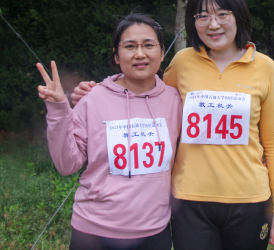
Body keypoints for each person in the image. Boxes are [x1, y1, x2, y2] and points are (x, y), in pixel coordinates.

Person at [72, 0, 274, 250]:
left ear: (239, 16)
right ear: (193, 22)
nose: (213, 24)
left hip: (250, 200)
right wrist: (99, 91)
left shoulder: (265, 68)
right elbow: (147, 95)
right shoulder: (183, 62)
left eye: (223, 14)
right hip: (189, 202)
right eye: (203, 16)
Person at [37, 13, 182, 250]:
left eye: (148, 45)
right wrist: (59, 109)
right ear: (116, 55)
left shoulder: (175, 100)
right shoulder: (93, 99)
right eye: (130, 46)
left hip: (154, 232)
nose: (140, 54)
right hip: (94, 232)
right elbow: (67, 164)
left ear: (162, 51)